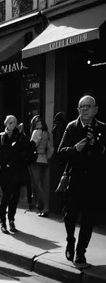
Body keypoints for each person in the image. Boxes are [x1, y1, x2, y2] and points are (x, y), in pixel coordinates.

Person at [57, 95, 105, 265]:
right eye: (81, 107)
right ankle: (71, 240)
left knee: (88, 219)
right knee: (69, 215)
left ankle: (80, 252)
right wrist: (74, 149)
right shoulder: (72, 127)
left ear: (95, 110)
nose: (84, 109)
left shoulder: (102, 128)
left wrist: (95, 145)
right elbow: (60, 152)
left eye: (88, 106)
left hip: (92, 182)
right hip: (74, 180)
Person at [0, 115, 30, 234]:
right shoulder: (1, 136)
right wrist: (4, 162)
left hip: (17, 172)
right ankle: (2, 219)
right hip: (5, 172)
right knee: (7, 196)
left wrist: (22, 134)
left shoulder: (21, 136)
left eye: (13, 122)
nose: (11, 124)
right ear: (5, 124)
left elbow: (26, 150)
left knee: (15, 198)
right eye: (9, 122)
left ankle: (11, 220)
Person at [29, 115, 54, 217]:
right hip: (44, 159)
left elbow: (32, 146)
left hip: (35, 160)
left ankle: (44, 206)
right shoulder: (47, 133)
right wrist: (46, 158)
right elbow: (51, 149)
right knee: (43, 185)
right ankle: (42, 206)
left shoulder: (36, 132)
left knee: (36, 184)